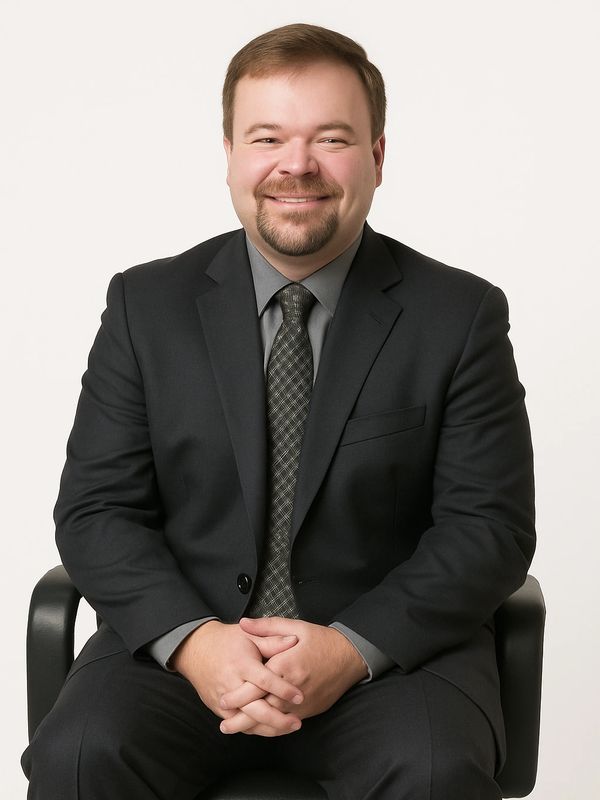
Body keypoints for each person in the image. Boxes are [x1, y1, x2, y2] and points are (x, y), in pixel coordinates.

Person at [22, 22, 535, 800]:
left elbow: (487, 527)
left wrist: (350, 647)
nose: (297, 166)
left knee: (433, 773)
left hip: (390, 667)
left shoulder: (459, 315)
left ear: (378, 157)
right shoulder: (144, 306)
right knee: (82, 754)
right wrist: (195, 644)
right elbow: (97, 509)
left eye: (331, 138)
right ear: (229, 155)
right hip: (182, 662)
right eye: (268, 138)